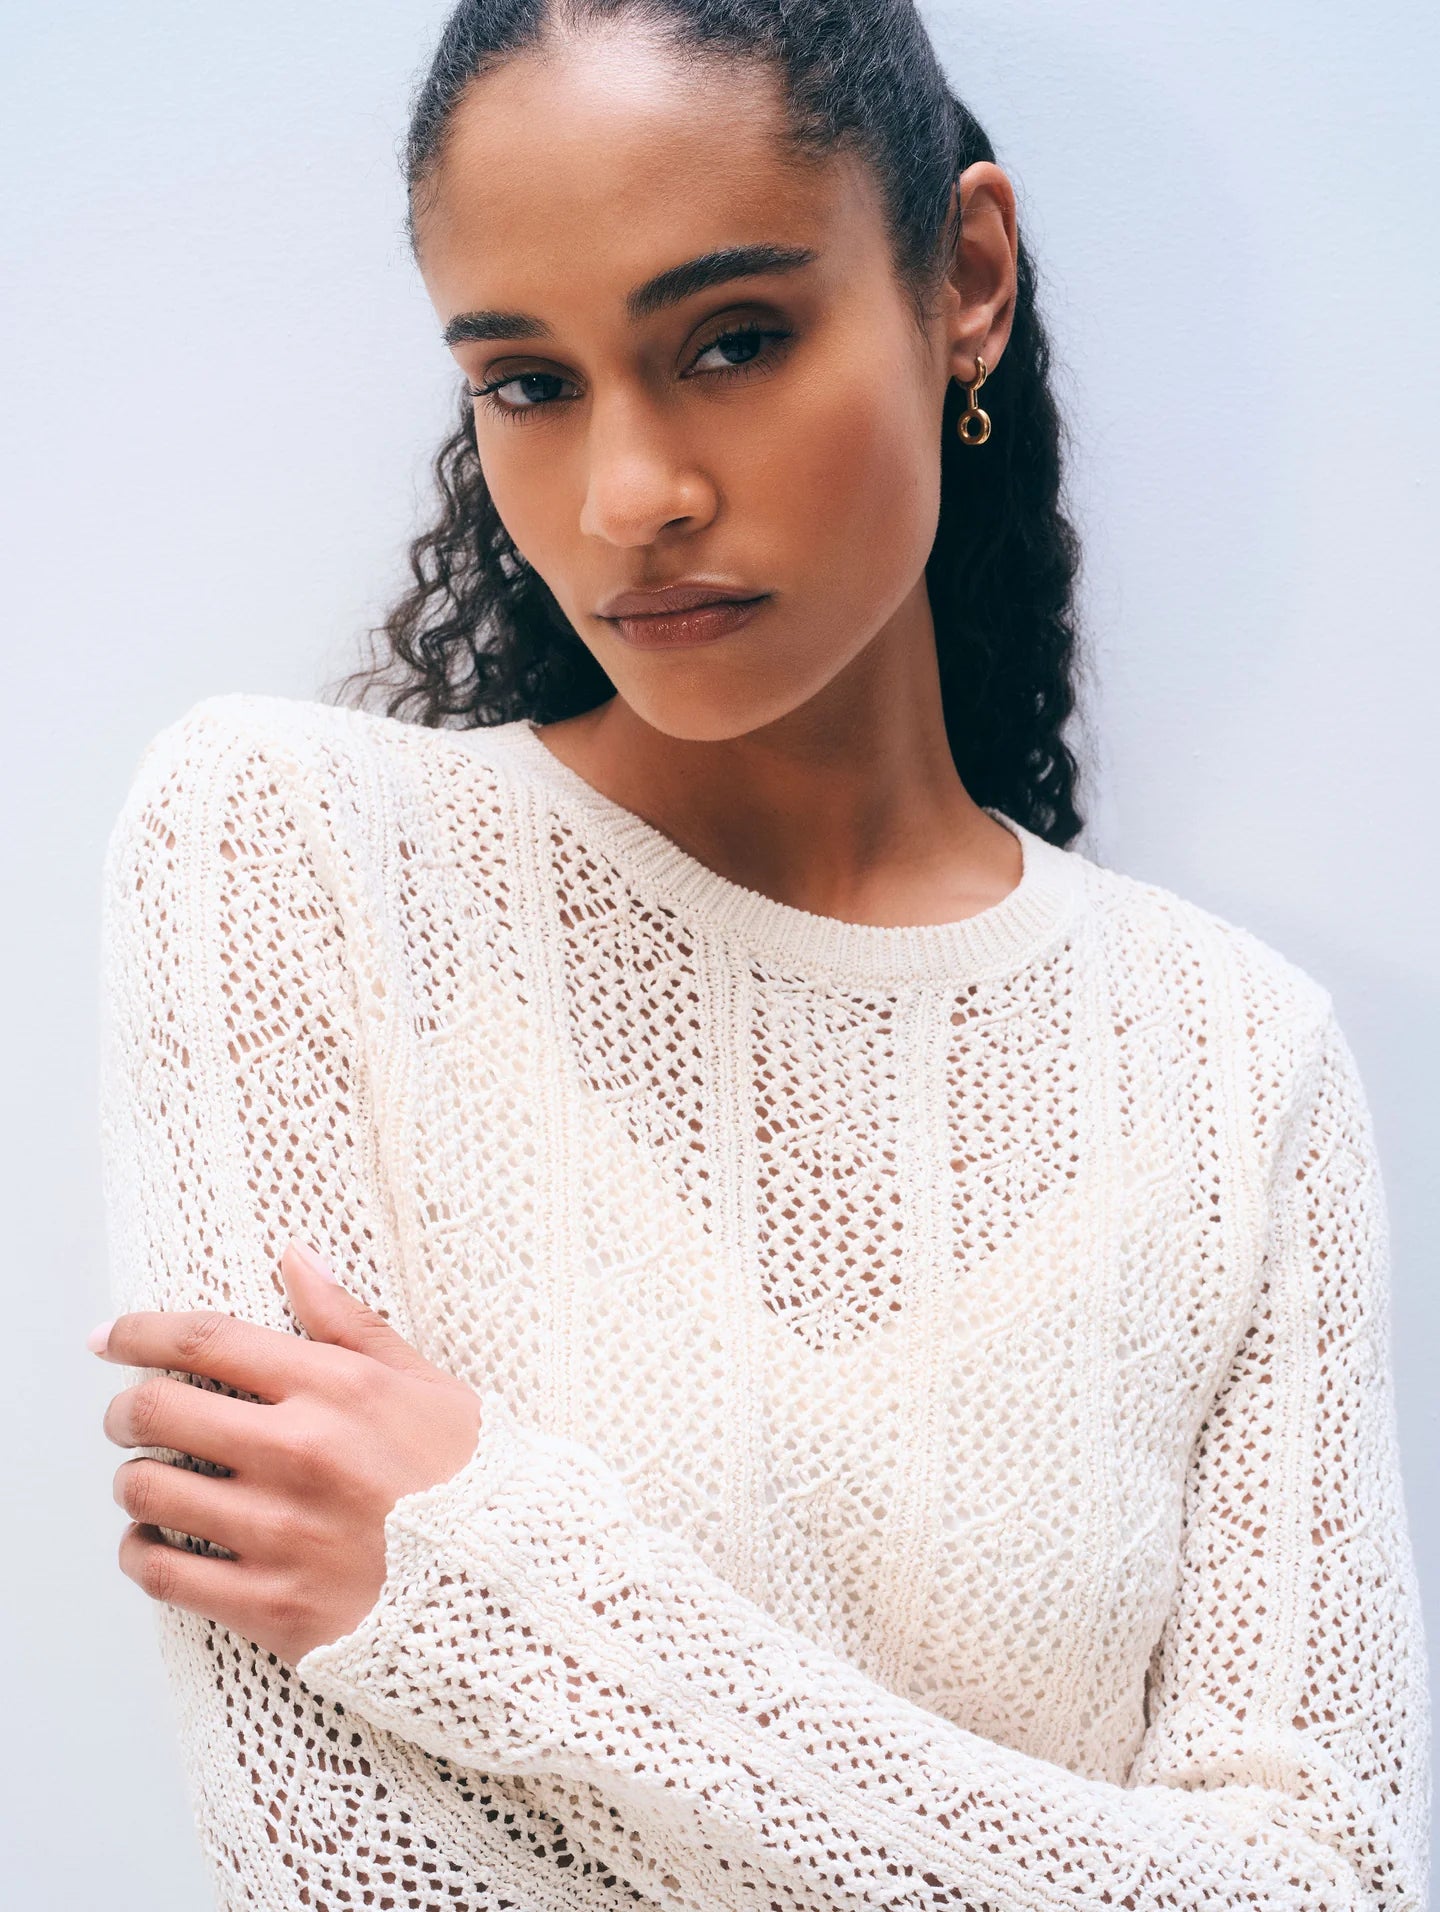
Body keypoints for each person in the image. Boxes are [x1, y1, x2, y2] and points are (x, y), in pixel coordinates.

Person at [93, 0, 1430, 1906]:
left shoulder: (1233, 1061)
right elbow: (340, 1852)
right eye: (528, 383)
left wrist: (491, 1591)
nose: (628, 497)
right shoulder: (294, 847)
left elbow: (1323, 1888)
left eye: (731, 340)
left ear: (963, 278)